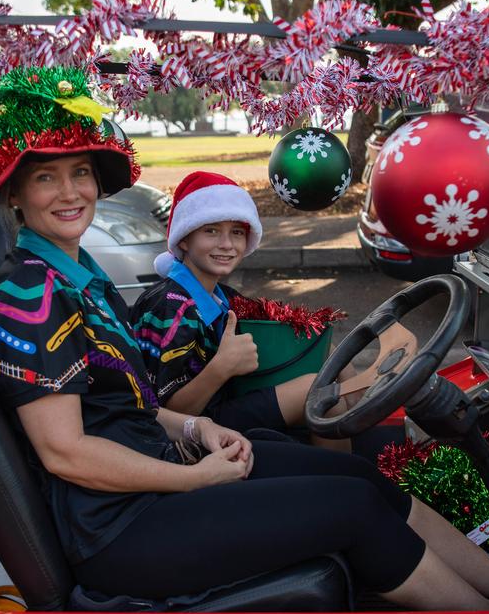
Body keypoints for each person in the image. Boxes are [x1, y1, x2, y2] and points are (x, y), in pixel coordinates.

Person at [0, 67, 489, 610]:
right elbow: (66, 451)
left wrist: (198, 427)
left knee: (357, 475)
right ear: (14, 195)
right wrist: (192, 477)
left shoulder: (82, 280)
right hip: (118, 528)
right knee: (351, 507)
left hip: (154, 474)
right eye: (45, 177)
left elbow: (128, 406)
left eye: (79, 172)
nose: (69, 191)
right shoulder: (26, 295)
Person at [130, 171, 347, 450]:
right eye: (211, 231)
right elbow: (164, 411)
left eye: (237, 232)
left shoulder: (223, 296)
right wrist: (222, 368)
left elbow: (279, 326)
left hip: (226, 403)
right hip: (195, 432)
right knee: (319, 393)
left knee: (330, 351)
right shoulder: (168, 306)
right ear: (183, 239)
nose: (227, 244)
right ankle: (342, 482)